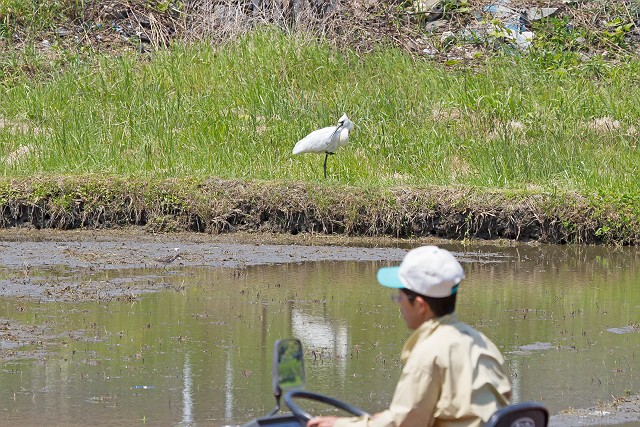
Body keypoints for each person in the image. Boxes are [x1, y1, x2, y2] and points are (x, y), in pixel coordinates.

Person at [308, 246, 512, 427]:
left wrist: (337, 424)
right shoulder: (482, 342)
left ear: (421, 305)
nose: (398, 302)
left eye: (400, 297)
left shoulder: (429, 352)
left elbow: (404, 424)